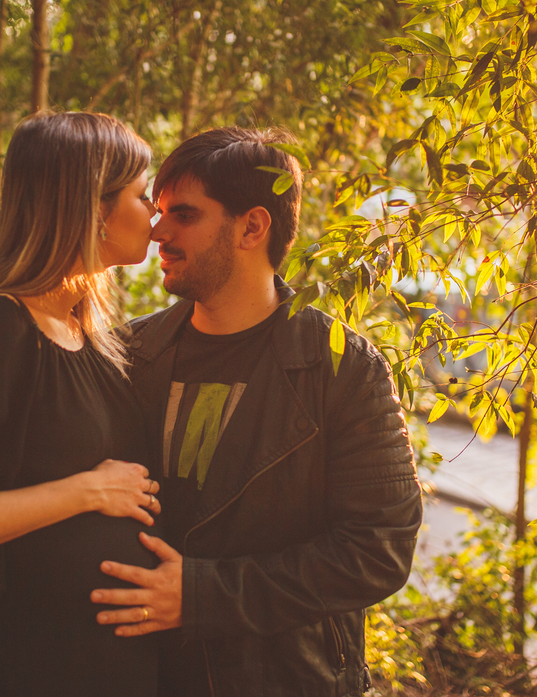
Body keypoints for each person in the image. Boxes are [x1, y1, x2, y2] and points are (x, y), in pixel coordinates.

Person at [89, 126, 423, 696]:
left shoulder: (341, 369)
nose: (158, 232)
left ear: (252, 226)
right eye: (159, 210)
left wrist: (204, 595)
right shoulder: (127, 355)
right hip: (145, 675)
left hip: (285, 679)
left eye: (185, 216)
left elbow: (379, 547)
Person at [0, 112, 163, 697]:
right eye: (143, 196)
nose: (154, 213)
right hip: (17, 667)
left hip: (104, 668)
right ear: (93, 206)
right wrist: (88, 490)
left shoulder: (89, 333)